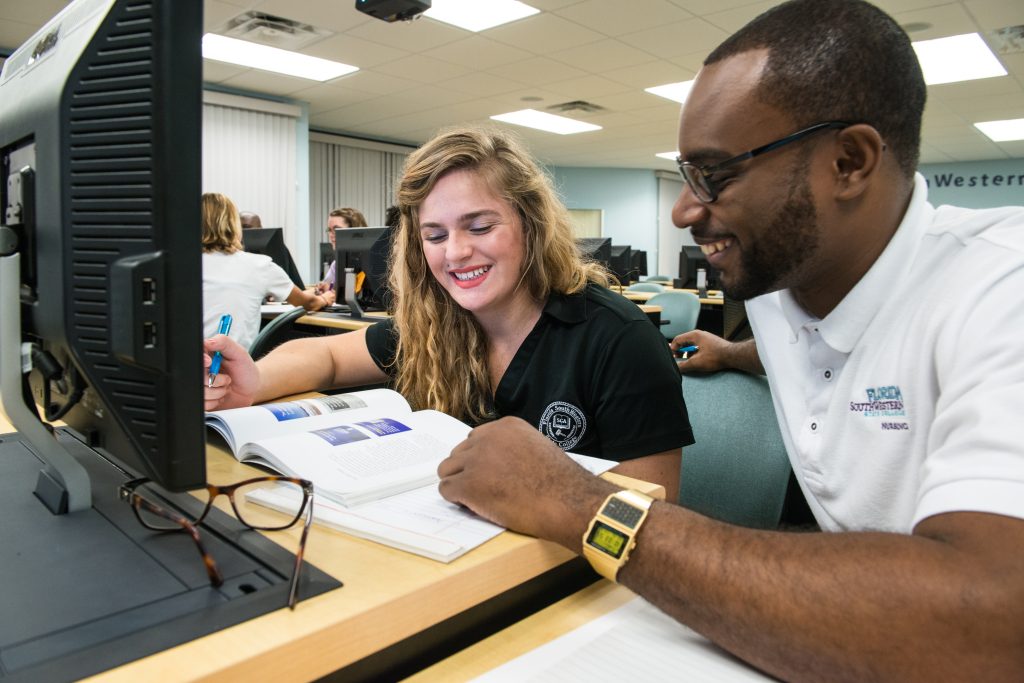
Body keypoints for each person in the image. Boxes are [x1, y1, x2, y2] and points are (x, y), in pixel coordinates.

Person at [434, 1, 1024, 679]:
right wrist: (735, 352)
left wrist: (579, 501)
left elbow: (990, 626)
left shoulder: (1001, 290)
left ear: (850, 161)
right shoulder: (781, 284)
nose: (684, 210)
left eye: (714, 174)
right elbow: (830, 346)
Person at [204, 128, 693, 495]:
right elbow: (328, 357)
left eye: (479, 227)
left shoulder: (617, 339)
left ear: (531, 225)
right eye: (435, 236)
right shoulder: (438, 321)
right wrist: (254, 382)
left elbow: (649, 513)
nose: (454, 253)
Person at [202, 192, 333, 350]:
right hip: (233, 367)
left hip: (184, 365)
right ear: (232, 224)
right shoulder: (258, 266)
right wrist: (325, 299)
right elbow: (307, 303)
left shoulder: (177, 267)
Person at [317, 207, 369, 294]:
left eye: (337, 229)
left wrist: (331, 289)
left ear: (354, 231)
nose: (331, 235)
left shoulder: (370, 262)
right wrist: (324, 288)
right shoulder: (337, 264)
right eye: (329, 230)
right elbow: (328, 286)